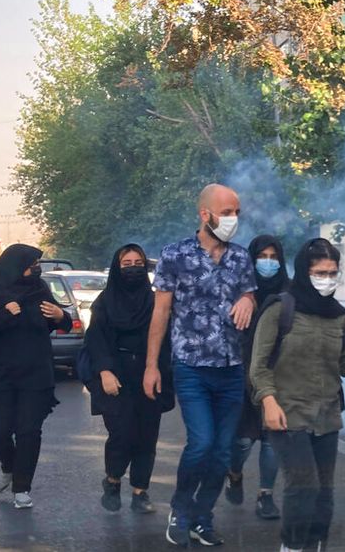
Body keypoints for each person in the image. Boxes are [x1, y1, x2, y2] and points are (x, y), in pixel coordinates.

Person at [143, 184, 257, 547]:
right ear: (205, 215)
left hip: (231, 367)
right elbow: (161, 312)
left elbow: (249, 293)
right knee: (202, 443)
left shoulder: (240, 257)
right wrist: (151, 366)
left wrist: (248, 300)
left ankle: (202, 516)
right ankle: (180, 509)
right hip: (191, 366)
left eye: (237, 212)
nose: (233, 219)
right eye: (226, 213)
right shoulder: (175, 255)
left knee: (223, 451)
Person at [250, 237, 345, 552]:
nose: (327, 279)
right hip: (287, 413)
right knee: (303, 486)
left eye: (332, 273)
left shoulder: (339, 315)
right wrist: (268, 401)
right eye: (320, 273)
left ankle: (316, 546)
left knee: (324, 494)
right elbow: (258, 366)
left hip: (327, 415)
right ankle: (292, 547)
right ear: (305, 272)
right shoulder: (280, 309)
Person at [0, 243, 71, 509]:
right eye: (31, 265)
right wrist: (5, 314)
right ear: (15, 267)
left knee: (29, 431)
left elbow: (62, 321)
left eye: (37, 265)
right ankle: (9, 465)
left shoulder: (40, 290)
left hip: (35, 372)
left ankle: (22, 488)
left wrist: (61, 315)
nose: (36, 269)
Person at [84, 244, 174, 514]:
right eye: (127, 264)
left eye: (138, 263)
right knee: (122, 434)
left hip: (149, 371)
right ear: (117, 267)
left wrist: (158, 369)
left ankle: (140, 491)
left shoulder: (155, 301)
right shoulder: (105, 301)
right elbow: (96, 338)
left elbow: (166, 337)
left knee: (147, 435)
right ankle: (113, 480)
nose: (133, 269)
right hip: (116, 373)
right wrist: (105, 371)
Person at [225, 234, 288, 518]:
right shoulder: (239, 292)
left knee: (273, 438)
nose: (268, 262)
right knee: (242, 441)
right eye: (262, 257)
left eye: (273, 257)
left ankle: (266, 495)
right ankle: (234, 473)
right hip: (242, 375)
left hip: (277, 376)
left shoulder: (290, 294)